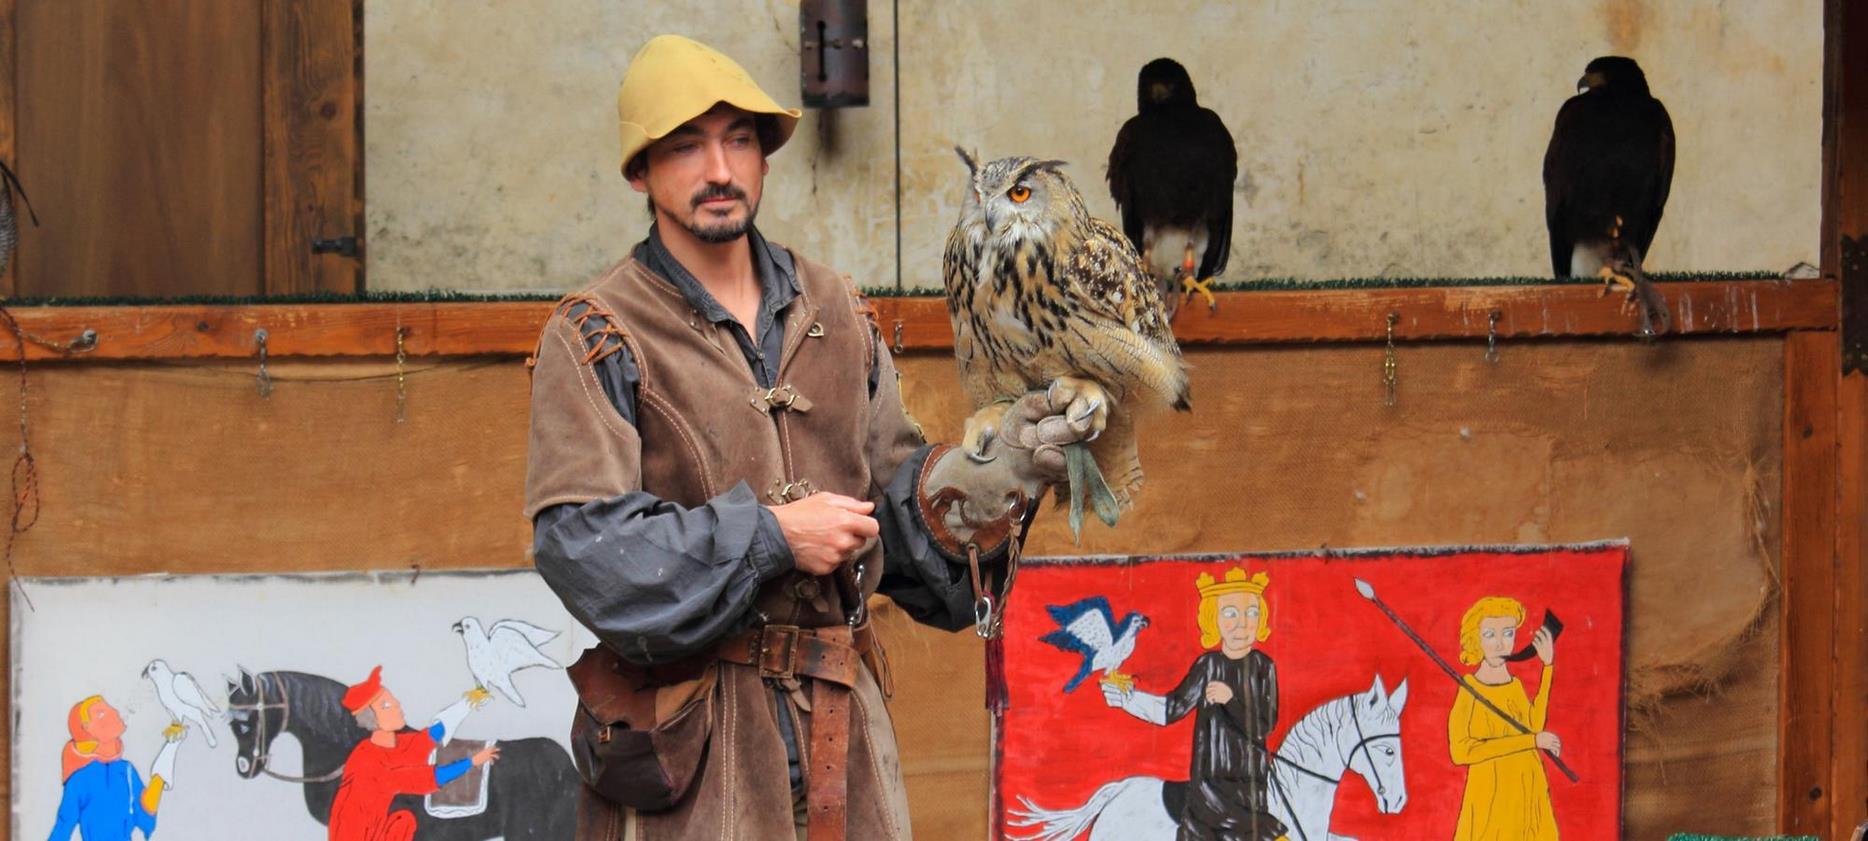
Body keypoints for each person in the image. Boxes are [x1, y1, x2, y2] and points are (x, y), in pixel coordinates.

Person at [526, 34, 1094, 841]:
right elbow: (586, 548)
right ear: (639, 172)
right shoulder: (598, 334)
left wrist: (993, 475)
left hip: (843, 736)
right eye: (685, 146)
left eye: (739, 140)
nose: (718, 168)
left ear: (764, 157)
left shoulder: (838, 310)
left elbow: (899, 516)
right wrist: (769, 536)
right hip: (697, 756)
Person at [1103, 568, 1287, 841]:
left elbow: (1265, 724)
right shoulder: (1208, 665)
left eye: (1251, 613)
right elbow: (1172, 709)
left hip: (1253, 790)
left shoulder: (1263, 667)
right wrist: (1129, 700)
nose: (1242, 624)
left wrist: (1230, 700)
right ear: (1213, 618)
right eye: (1230, 614)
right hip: (1212, 792)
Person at [326, 666, 499, 841]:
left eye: (391, 699)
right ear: (373, 719)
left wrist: (469, 701)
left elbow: (429, 737)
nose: (396, 705)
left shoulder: (393, 744)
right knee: (405, 821)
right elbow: (428, 778)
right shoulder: (369, 763)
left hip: (378, 827)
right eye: (386, 705)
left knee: (405, 820)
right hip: (356, 836)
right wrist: (473, 761)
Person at [1448, 596, 1560, 841]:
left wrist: (1548, 666)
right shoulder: (1469, 689)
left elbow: (1533, 726)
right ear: (1476, 639)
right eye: (1490, 635)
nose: (1500, 644)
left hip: (1528, 788)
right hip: (1492, 796)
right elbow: (1461, 751)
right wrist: (1532, 742)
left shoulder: (1515, 686)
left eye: (1507, 633)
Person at [48, 696, 182, 841]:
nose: (114, 712)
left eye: (108, 708)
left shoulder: (127, 770)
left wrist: (169, 750)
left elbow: (145, 813)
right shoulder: (79, 779)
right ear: (86, 728)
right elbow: (62, 828)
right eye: (101, 713)